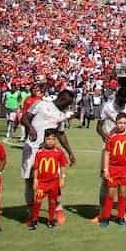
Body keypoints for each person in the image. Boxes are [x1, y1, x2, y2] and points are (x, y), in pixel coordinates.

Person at [21, 89, 76, 223]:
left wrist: (69, 151)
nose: (67, 106)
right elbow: (24, 118)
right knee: (29, 181)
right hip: (32, 149)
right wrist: (31, 128)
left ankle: (58, 209)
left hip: (49, 153)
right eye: (67, 103)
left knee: (53, 182)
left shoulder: (61, 115)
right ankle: (32, 212)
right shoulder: (40, 104)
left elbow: (61, 134)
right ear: (62, 98)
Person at [99, 112, 126, 227]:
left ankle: (121, 216)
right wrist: (105, 169)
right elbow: (107, 153)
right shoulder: (111, 137)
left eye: (124, 123)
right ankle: (106, 217)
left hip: (125, 169)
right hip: (112, 169)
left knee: (123, 193)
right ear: (116, 123)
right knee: (110, 193)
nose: (122, 125)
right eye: (120, 123)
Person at [28, 129, 69, 230]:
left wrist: (62, 178)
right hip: (41, 183)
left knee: (52, 202)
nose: (50, 141)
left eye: (53, 139)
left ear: (56, 140)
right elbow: (36, 168)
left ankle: (51, 220)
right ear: (44, 139)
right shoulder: (39, 152)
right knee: (37, 201)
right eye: (48, 139)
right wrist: (35, 180)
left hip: (54, 182)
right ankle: (34, 220)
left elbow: (63, 166)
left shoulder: (59, 152)